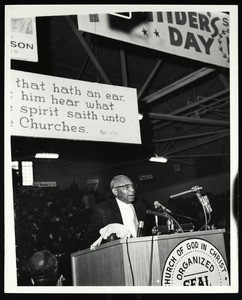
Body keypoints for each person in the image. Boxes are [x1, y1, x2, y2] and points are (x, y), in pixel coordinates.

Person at [83, 175, 148, 249]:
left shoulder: (140, 206)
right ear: (115, 191)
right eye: (127, 187)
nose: (132, 190)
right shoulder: (103, 210)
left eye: (133, 186)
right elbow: (89, 241)